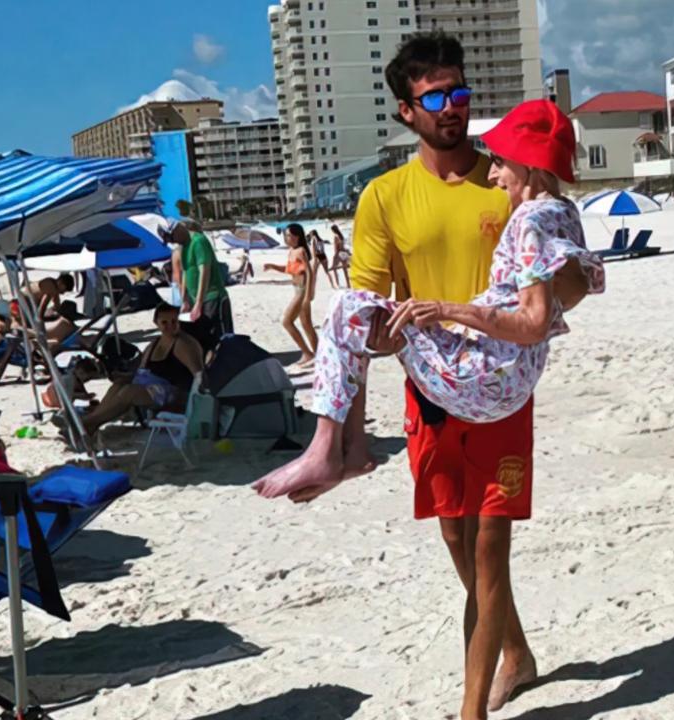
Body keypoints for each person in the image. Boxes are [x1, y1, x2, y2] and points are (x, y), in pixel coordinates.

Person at [258, 33, 582, 719]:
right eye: (436, 97)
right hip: (430, 388)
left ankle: (472, 710)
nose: (453, 108)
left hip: (498, 386)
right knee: (457, 539)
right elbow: (371, 305)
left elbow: (567, 285)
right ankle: (515, 654)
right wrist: (378, 332)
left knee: (492, 543)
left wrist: (541, 297)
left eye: (461, 94)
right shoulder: (385, 196)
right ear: (406, 110)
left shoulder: (509, 182)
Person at [254, 99, 601, 485]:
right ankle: (348, 452)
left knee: (347, 307)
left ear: (532, 166)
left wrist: (446, 310)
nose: (493, 175)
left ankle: (334, 452)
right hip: (511, 376)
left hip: (484, 377)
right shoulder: (564, 212)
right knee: (358, 315)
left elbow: (534, 324)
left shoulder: (530, 219)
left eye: (501, 162)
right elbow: (576, 289)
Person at [76, 305, 203, 435]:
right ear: (156, 323)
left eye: (174, 321)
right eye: (164, 322)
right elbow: (142, 370)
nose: (170, 325)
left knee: (128, 392)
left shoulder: (183, 344)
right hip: (152, 385)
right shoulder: (155, 343)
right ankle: (92, 421)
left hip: (172, 392)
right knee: (119, 385)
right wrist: (125, 377)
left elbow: (199, 375)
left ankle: (86, 423)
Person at [161, 220, 233, 335]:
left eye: (171, 238)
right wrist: (184, 300)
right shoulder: (184, 247)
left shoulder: (198, 241)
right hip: (194, 299)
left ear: (177, 229)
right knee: (203, 335)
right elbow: (185, 272)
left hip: (212, 297)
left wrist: (199, 303)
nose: (173, 242)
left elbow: (204, 272)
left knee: (218, 335)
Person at [263, 223, 318, 369]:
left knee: (287, 321)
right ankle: (319, 354)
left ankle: (307, 353)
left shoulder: (300, 251)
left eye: (288, 235)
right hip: (296, 289)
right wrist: (272, 266)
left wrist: (308, 295)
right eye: (285, 235)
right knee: (307, 325)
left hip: (302, 290)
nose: (286, 238)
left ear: (297, 236)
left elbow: (309, 272)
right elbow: (289, 270)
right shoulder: (292, 251)